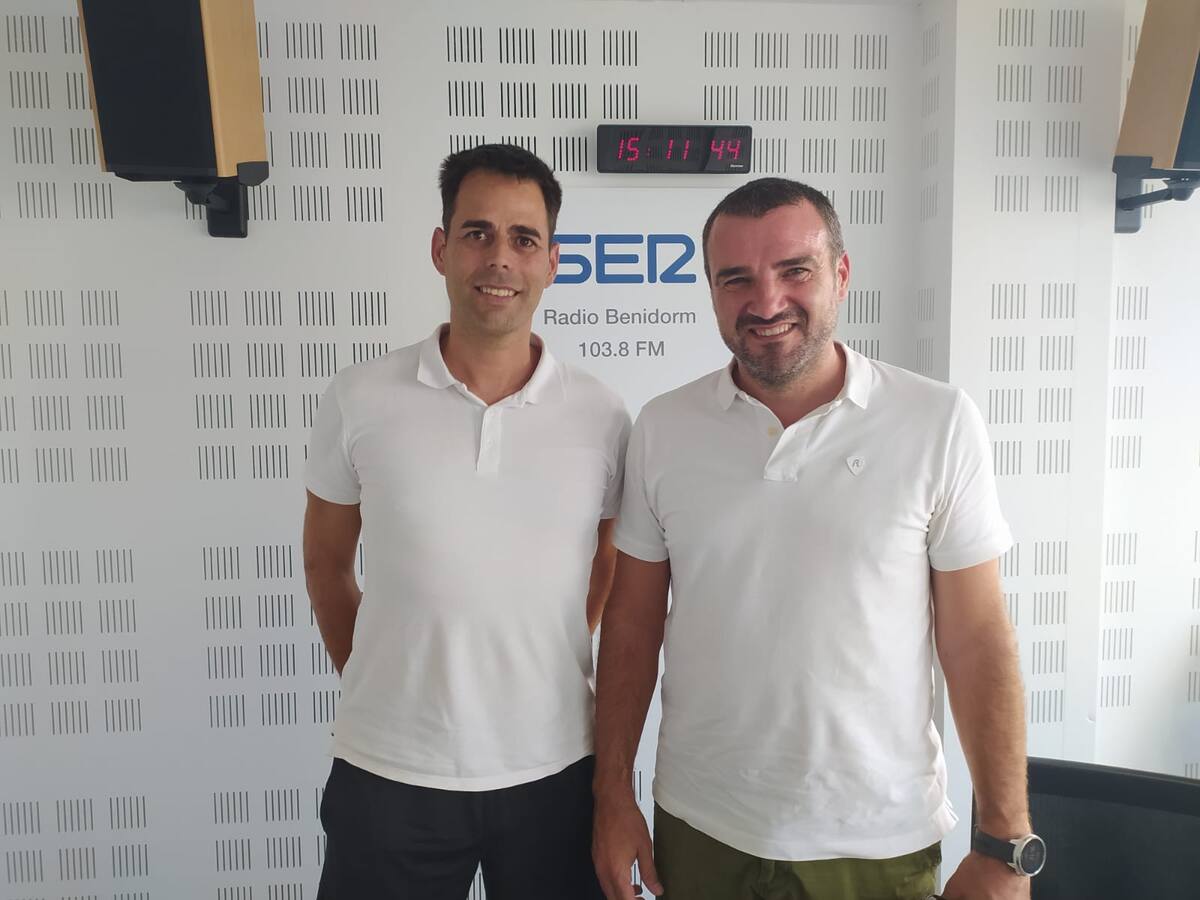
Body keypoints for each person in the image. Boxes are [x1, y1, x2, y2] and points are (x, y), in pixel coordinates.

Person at [592, 178, 1038, 900]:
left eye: (794, 270)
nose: (766, 302)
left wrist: (1006, 842)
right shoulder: (663, 428)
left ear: (841, 273)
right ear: (711, 291)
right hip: (702, 827)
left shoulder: (937, 422)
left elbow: (977, 637)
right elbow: (632, 624)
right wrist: (612, 797)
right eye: (736, 279)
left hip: (877, 840)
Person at [304, 144, 628, 900]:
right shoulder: (359, 397)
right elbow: (326, 562)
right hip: (388, 769)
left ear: (552, 261)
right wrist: (385, 676)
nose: (499, 258)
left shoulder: (602, 415)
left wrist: (540, 655)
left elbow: (607, 562)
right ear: (440, 249)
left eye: (524, 238)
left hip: (553, 767)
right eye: (477, 233)